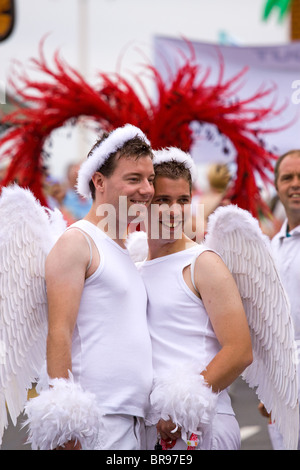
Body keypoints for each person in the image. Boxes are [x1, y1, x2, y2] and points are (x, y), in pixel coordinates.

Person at [25, 124, 155, 450]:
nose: (147, 189)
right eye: (134, 179)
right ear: (99, 181)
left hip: (131, 421)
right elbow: (59, 332)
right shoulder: (77, 242)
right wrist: (66, 427)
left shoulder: (124, 249)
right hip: (95, 424)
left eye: (150, 179)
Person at [138, 147, 253, 450]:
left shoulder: (204, 263)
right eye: (163, 200)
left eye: (183, 200)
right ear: (143, 201)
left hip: (201, 426)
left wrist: (179, 408)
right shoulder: (133, 266)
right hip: (151, 429)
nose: (174, 211)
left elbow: (239, 350)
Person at [259, 149, 300, 449]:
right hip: (283, 393)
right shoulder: (274, 246)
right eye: (288, 178)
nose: (295, 184)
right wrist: (269, 387)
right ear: (277, 186)